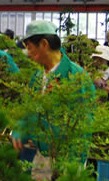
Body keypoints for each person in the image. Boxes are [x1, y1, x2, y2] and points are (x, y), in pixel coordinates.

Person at [12, 20, 95, 154]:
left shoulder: (76, 77)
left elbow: (83, 125)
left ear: (44, 44)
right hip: (40, 153)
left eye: (29, 47)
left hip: (65, 156)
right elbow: (30, 109)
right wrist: (22, 126)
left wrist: (73, 165)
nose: (28, 53)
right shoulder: (37, 77)